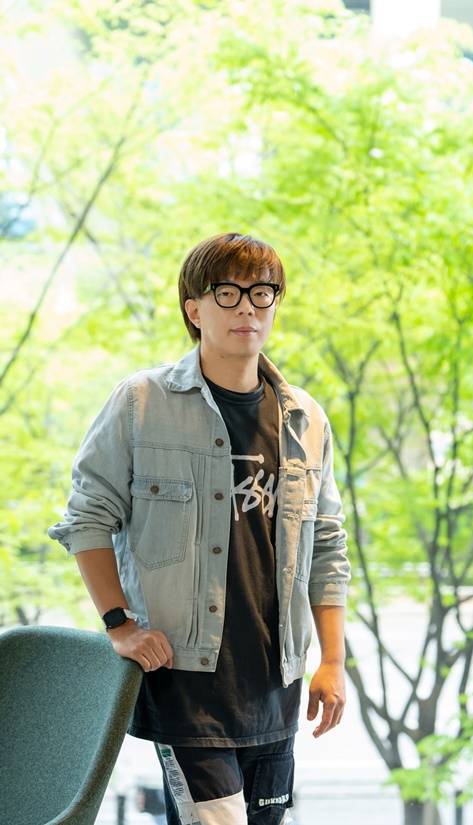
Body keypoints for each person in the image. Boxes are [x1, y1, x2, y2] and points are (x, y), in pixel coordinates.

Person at [47, 232, 351, 825]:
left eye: (262, 293)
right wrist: (119, 625)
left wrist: (333, 660)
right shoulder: (142, 402)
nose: (247, 308)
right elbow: (87, 518)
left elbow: (326, 544)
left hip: (276, 684)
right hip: (186, 682)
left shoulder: (304, 418)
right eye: (227, 293)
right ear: (194, 308)